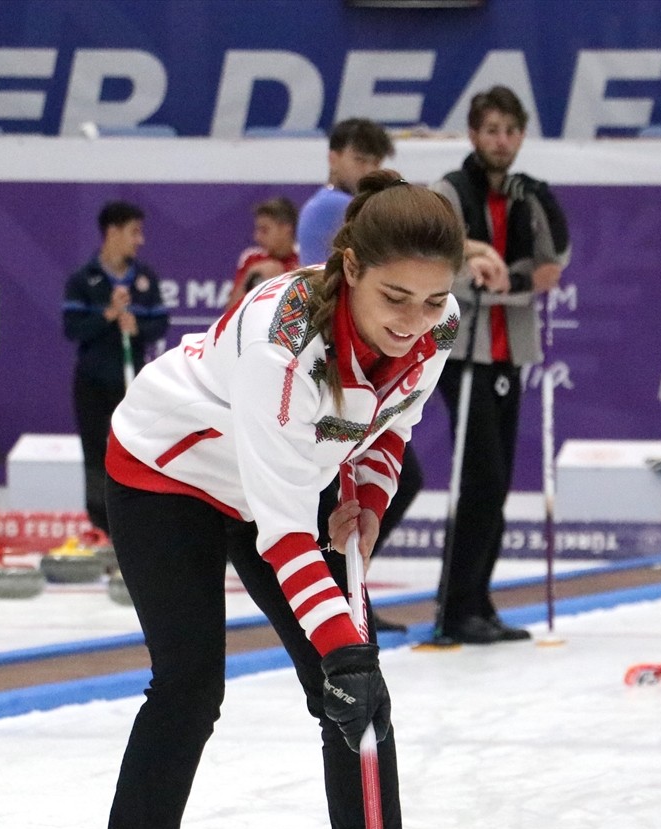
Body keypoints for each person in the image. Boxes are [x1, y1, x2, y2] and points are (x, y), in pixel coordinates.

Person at [92, 171, 464, 829]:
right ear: (351, 268)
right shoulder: (284, 344)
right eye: (395, 299)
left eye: (432, 303)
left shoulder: (435, 326)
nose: (413, 324)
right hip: (169, 474)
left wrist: (366, 496)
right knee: (192, 685)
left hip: (279, 479)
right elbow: (286, 531)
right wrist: (349, 656)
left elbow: (390, 424)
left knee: (356, 703)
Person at [432, 86, 571, 644]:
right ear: (473, 134)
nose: (501, 141)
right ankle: (455, 605)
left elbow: (553, 264)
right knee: (481, 478)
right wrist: (478, 270)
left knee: (498, 482)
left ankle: (478, 601)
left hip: (509, 350)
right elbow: (432, 256)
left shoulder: (525, 195)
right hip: (461, 349)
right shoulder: (449, 191)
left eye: (511, 131)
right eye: (491, 130)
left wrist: (509, 277)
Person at [299, 118, 421, 632]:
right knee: (345, 491)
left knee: (366, 488)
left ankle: (350, 590)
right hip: (331, 360)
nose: (368, 170)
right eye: (361, 160)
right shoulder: (329, 208)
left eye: (376, 162)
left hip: (345, 356)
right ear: (333, 157)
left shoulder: (332, 209)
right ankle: (342, 593)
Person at [62, 200, 168, 536]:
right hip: (93, 381)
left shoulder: (145, 279)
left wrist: (137, 328)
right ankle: (100, 527)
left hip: (132, 383)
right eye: (134, 232)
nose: (140, 240)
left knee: (137, 451)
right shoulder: (84, 279)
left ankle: (137, 525)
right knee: (95, 452)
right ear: (113, 232)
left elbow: (160, 323)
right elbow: (72, 328)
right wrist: (107, 314)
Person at [226, 196, 300, 311]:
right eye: (257, 230)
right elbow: (230, 312)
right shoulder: (252, 258)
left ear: (286, 229)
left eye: (264, 230)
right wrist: (250, 276)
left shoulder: (305, 260)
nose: (257, 237)